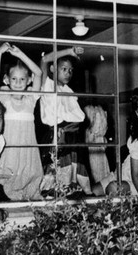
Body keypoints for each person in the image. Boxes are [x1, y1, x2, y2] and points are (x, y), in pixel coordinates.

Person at [0, 42, 43, 201]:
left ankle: (30, 195)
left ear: (28, 80)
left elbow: (39, 73)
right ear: (7, 79)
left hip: (28, 146)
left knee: (31, 172)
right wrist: (0, 52)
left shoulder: (31, 98)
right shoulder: (3, 96)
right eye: (14, 78)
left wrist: (20, 55)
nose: (18, 82)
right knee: (9, 173)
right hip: (10, 146)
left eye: (22, 79)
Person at [39, 47, 92, 196]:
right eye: (64, 69)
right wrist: (69, 52)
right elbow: (44, 59)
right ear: (53, 68)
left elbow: (78, 117)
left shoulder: (69, 91)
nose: (68, 73)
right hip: (57, 134)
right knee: (55, 177)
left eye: (70, 70)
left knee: (74, 178)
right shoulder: (48, 85)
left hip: (73, 136)